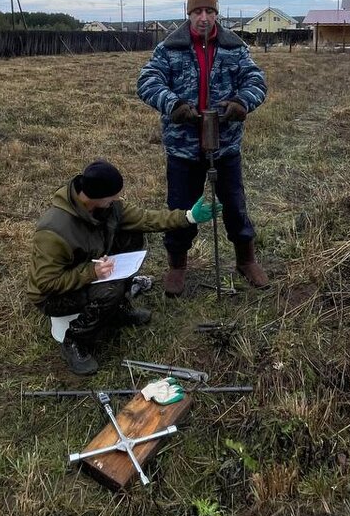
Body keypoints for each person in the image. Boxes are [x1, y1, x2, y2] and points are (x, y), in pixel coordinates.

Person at [28, 160, 220, 374]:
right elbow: (45, 283)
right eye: (113, 196)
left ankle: (116, 309)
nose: (117, 199)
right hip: (53, 297)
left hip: (92, 269)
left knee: (132, 235)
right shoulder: (54, 230)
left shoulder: (110, 208)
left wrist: (188, 217)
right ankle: (75, 341)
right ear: (96, 196)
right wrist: (91, 273)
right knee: (110, 290)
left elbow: (146, 219)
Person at [137, 0, 269, 295]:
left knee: (235, 205)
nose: (204, 17)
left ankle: (246, 260)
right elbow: (147, 81)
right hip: (183, 149)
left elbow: (256, 81)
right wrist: (174, 105)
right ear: (189, 14)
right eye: (198, 11)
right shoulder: (170, 48)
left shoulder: (234, 47)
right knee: (181, 207)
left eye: (210, 11)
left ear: (217, 14)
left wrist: (241, 103)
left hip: (226, 147)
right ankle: (177, 266)